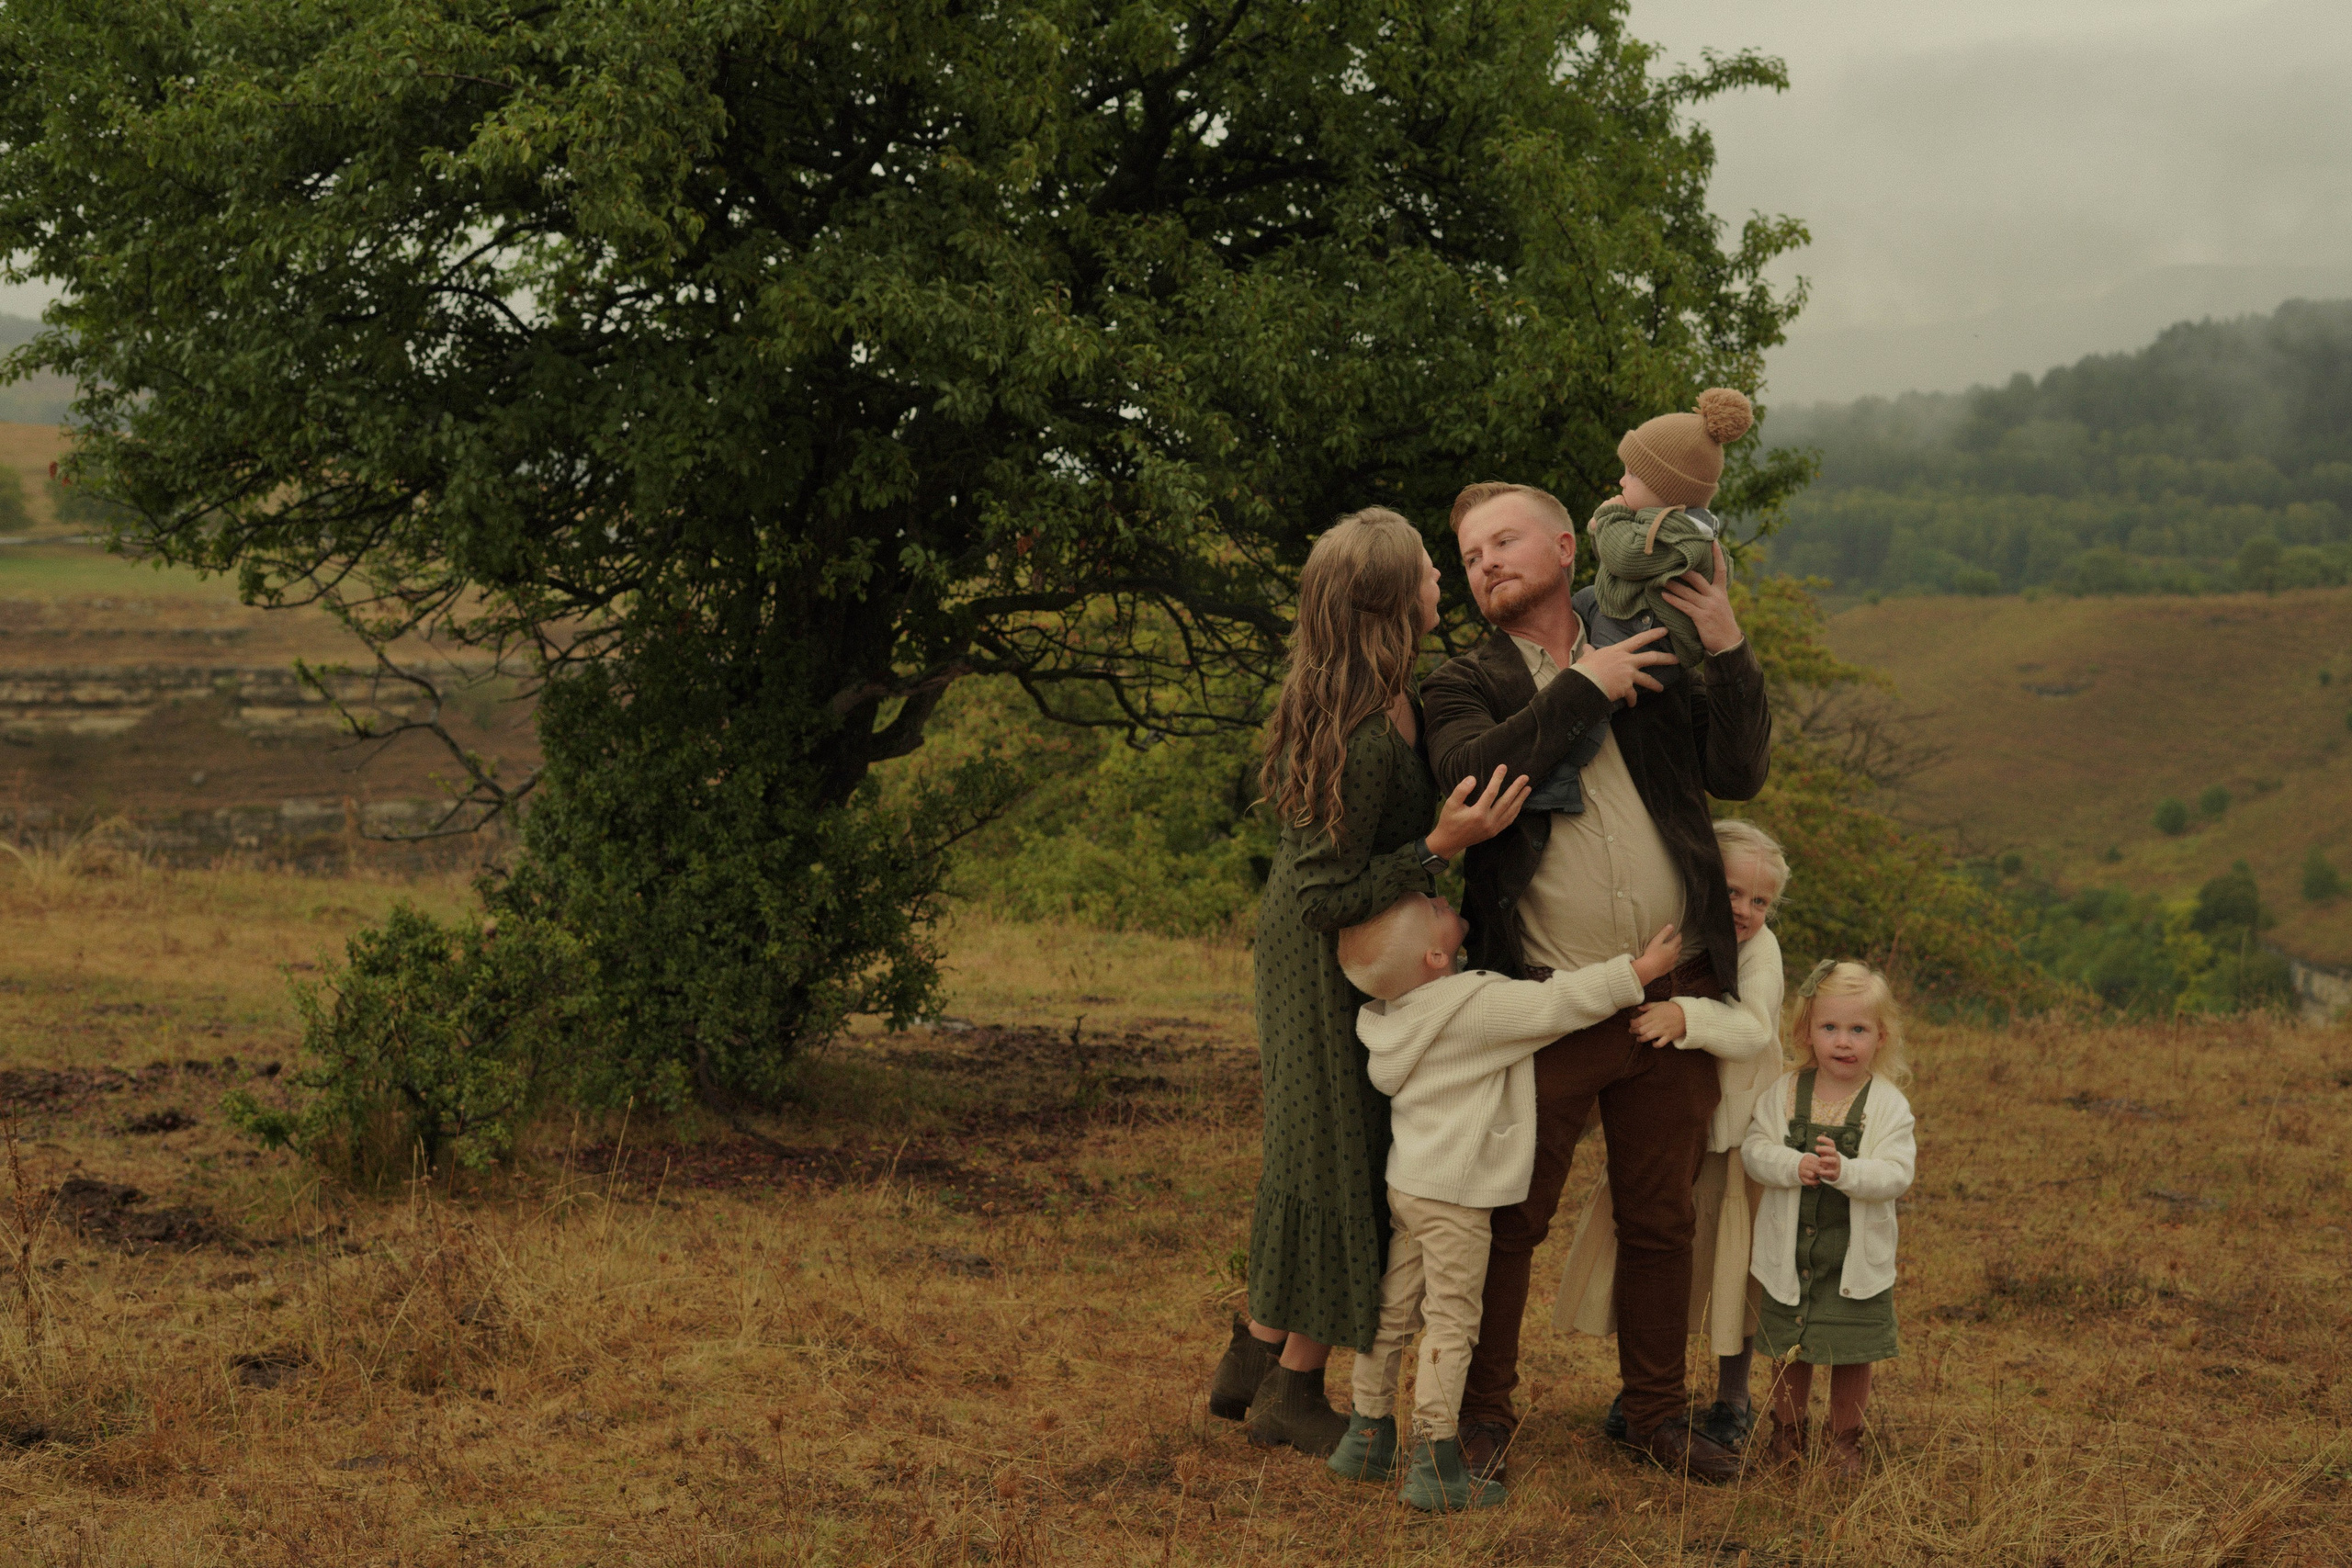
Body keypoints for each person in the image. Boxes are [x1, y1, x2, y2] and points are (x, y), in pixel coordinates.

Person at [1421, 469, 1772, 1484]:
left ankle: (1658, 1419)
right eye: (1471, 555)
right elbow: (1470, 778)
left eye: (1502, 543)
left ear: (1569, 547)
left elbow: (1738, 773)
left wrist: (1726, 642)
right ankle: (1483, 1414)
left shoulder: (1650, 642)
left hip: (1674, 994)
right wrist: (1586, 687)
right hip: (1544, 997)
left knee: (1660, 1214)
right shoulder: (1465, 680)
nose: (1484, 562)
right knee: (1511, 1213)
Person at [1204, 506, 1532, 1457]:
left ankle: (1252, 1359)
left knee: (1317, 1157)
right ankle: (1292, 1391)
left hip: (1350, 955)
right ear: (1392, 598)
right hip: (1323, 965)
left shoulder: (1387, 694)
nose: (1445, 581)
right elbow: (1317, 892)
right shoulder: (1359, 722)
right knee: (1344, 1161)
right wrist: (1439, 846)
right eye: (1432, 570)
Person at [1323, 892, 1682, 1511]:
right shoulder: (1473, 1009)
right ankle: (1436, 1461)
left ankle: (1365, 1433)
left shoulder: (1393, 1014)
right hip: (1458, 1197)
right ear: (1437, 955)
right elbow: (1555, 1003)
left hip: (1409, 1183)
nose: (1441, 896)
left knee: (1394, 1308)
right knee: (1453, 1320)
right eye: (1432, 907)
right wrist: (1639, 973)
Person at [1555, 818, 1792, 1452]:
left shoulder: (1760, 950)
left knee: (1730, 1260)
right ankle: (1652, 1389)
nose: (1744, 909)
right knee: (1666, 1249)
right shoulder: (1681, 922)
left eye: (1760, 900)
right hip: (1679, 1120)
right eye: (1733, 890)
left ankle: (1732, 1397)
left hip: (1738, 1130)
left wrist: (1687, 1014)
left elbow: (1752, 1030)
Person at [1742, 960, 1917, 1476]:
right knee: (1790, 1352)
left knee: (1850, 1351)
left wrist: (1847, 1172)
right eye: (1830, 1028)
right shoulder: (1784, 1092)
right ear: (1807, 1032)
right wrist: (1793, 1164)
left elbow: (1896, 1173)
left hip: (1853, 1260)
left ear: (1881, 1037)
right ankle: (1786, 1435)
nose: (1844, 1041)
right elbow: (1754, 1150)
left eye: (1858, 1029)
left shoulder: (1887, 1105)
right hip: (1789, 1254)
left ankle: (1844, 1440)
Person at [1584, 389, 1758, 672]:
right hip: (1638, 623)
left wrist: (1609, 517)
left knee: (1596, 686)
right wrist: (1600, 531)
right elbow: (1610, 560)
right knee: (1580, 601)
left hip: (1653, 646)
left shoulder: (1681, 535)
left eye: (1633, 474)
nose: (1622, 481)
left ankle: (1590, 702)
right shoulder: (1658, 521)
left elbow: (1624, 558)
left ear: (1667, 489)